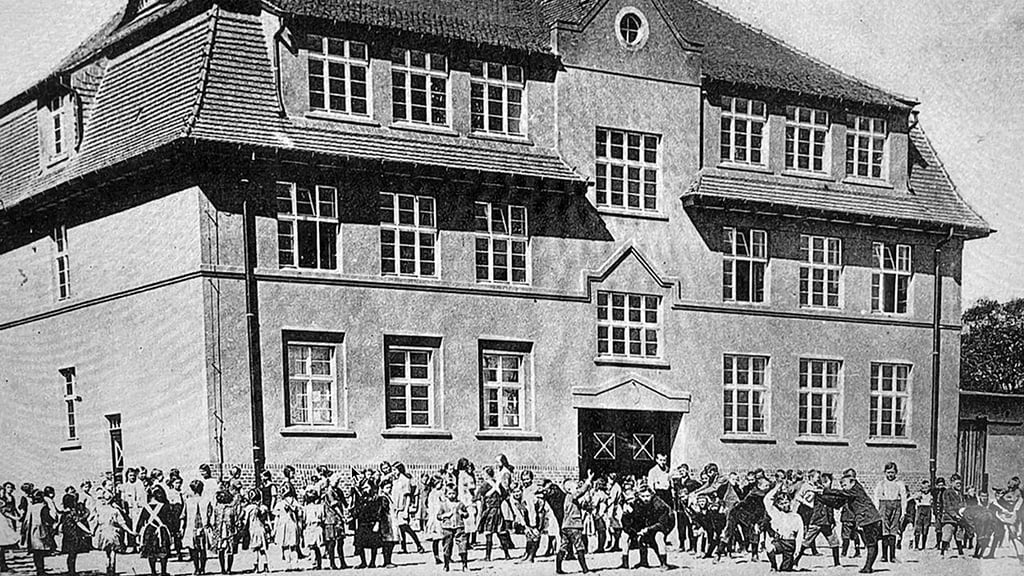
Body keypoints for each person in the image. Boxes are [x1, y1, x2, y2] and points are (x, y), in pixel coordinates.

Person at [823, 469, 881, 574]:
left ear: (853, 482)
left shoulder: (856, 489)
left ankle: (868, 567)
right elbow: (837, 503)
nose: (843, 487)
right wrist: (822, 498)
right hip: (867, 519)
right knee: (871, 543)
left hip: (870, 519)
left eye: (844, 485)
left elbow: (840, 494)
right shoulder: (851, 492)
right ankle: (868, 566)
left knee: (871, 544)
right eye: (842, 485)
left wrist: (825, 490)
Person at [797, 472, 841, 568]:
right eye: (827, 482)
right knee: (806, 542)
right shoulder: (819, 492)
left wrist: (832, 520)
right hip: (817, 521)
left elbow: (830, 508)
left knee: (835, 542)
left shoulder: (827, 493)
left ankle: (837, 563)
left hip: (827, 522)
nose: (829, 484)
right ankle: (795, 561)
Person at [554, 472, 594, 574]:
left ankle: (558, 569)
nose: (577, 489)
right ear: (569, 489)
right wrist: (588, 480)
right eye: (575, 487)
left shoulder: (568, 499)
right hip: (574, 526)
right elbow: (580, 492)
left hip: (566, 526)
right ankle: (585, 569)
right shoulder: (571, 496)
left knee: (563, 546)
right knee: (579, 546)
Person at [762, 482, 803, 572]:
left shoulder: (796, 517)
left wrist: (798, 549)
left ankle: (788, 565)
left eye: (786, 502)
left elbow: (800, 535)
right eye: (782, 503)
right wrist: (777, 487)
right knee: (769, 548)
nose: (785, 505)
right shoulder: (776, 514)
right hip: (780, 542)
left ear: (790, 502)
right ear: (778, 505)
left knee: (785, 570)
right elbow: (767, 500)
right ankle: (773, 565)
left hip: (790, 544)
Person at [634, 483, 675, 570]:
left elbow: (662, 523)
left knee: (658, 537)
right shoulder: (638, 502)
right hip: (651, 522)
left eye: (647, 496)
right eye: (643, 496)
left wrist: (648, 529)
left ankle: (664, 564)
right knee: (642, 539)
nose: (645, 499)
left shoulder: (659, 505)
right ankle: (643, 562)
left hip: (666, 522)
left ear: (652, 495)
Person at [93, 489, 134, 576]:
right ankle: (112, 568)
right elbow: (122, 523)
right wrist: (130, 532)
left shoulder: (100, 510)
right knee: (113, 551)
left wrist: (92, 532)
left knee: (106, 551)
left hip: (104, 532)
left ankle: (108, 567)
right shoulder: (115, 511)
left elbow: (97, 522)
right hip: (114, 533)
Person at [872, 462, 907, 562]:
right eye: (888, 472)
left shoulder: (899, 484)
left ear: (896, 473)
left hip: (896, 506)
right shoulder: (881, 484)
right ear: (885, 473)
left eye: (892, 472)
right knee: (885, 531)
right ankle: (884, 556)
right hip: (884, 506)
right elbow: (876, 498)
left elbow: (904, 498)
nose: (890, 475)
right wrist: (877, 510)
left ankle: (892, 556)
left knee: (893, 531)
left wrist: (903, 512)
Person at [137, 485, 174, 576]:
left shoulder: (146, 507)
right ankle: (163, 572)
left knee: (151, 552)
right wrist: (172, 531)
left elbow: (141, 521)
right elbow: (170, 520)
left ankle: (153, 572)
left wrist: (137, 532)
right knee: (163, 551)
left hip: (149, 531)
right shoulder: (165, 506)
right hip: (162, 531)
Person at [477, 466, 511, 562]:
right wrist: (496, 487)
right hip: (496, 511)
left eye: (484, 474)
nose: (482, 475)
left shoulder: (486, 484)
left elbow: (481, 495)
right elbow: (503, 495)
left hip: (491, 511)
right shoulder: (496, 484)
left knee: (490, 533)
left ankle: (488, 556)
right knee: (500, 533)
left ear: (487, 475)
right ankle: (506, 554)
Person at [391, 462, 425, 555]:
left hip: (402, 508)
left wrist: (406, 510)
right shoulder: (396, 481)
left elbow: (408, 496)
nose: (393, 472)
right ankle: (404, 547)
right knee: (401, 528)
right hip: (396, 508)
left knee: (405, 527)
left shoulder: (405, 480)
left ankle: (418, 545)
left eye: (395, 470)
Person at [24, 490, 56, 576]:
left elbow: (27, 520)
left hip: (32, 531)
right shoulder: (43, 507)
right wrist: (53, 522)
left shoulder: (32, 507)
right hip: (41, 530)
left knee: (36, 552)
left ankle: (39, 570)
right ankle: (41, 571)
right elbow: (48, 519)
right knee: (41, 551)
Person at [437, 483, 468, 572]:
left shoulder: (460, 504)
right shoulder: (443, 505)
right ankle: (446, 564)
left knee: (462, 544)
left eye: (453, 493)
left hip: (459, 526)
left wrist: (463, 514)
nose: (452, 495)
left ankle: (464, 564)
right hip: (447, 527)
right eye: (450, 493)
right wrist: (445, 515)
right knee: (447, 545)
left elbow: (466, 514)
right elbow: (438, 516)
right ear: (446, 494)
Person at [181, 480, 209, 575]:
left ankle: (197, 568)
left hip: (193, 527)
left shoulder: (188, 501)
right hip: (201, 527)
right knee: (202, 549)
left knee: (194, 549)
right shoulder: (205, 500)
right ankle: (202, 568)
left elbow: (183, 516)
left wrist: (181, 528)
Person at [60, 493, 92, 576]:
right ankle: (72, 571)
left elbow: (61, 524)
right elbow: (78, 523)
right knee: (73, 554)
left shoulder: (64, 513)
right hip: (74, 535)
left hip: (67, 535)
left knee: (70, 554)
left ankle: (70, 570)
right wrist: (88, 531)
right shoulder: (72, 512)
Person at [209, 490, 238, 574]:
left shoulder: (231, 508)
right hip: (220, 531)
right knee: (221, 550)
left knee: (229, 550)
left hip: (229, 531)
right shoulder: (217, 508)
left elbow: (235, 519)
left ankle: (228, 568)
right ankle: (223, 568)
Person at [273, 485, 301, 570]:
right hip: (293, 524)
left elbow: (276, 518)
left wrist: (274, 530)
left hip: (283, 525)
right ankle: (295, 564)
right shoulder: (295, 502)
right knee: (293, 546)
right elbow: (299, 515)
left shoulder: (280, 504)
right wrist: (299, 526)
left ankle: (288, 564)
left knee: (285, 546)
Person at [939, 474, 966, 557]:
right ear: (952, 483)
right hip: (949, 518)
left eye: (960, 484)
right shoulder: (947, 492)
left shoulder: (960, 494)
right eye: (957, 483)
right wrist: (955, 515)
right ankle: (942, 553)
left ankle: (961, 553)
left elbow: (964, 504)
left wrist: (963, 513)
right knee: (947, 534)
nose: (959, 485)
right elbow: (947, 506)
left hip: (959, 517)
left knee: (959, 535)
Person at [243, 490, 269, 573]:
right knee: (262, 549)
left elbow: (245, 519)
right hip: (261, 528)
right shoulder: (263, 508)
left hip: (253, 528)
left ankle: (256, 566)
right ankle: (265, 566)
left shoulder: (249, 508)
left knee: (255, 549)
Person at [0, 482, 19, 572]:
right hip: (3, 520)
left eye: (11, 487)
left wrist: (18, 516)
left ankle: (4, 564)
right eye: (8, 487)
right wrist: (15, 517)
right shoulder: (2, 499)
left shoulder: (11, 498)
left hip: (10, 519)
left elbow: (14, 508)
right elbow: (4, 511)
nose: (10, 489)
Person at [911, 479, 933, 550]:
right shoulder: (919, 494)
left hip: (928, 510)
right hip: (920, 509)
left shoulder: (931, 494)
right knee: (918, 527)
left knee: (925, 528)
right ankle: (916, 545)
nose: (925, 489)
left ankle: (923, 545)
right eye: (923, 488)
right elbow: (912, 498)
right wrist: (917, 499)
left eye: (927, 488)